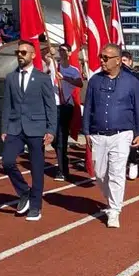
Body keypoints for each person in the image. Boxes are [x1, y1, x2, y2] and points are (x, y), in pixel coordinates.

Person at [82, 42, 139, 229]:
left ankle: (114, 209)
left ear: (118, 61)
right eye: (101, 57)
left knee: (117, 172)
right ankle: (111, 199)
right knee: (100, 173)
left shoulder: (132, 82)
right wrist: (86, 130)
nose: (101, 61)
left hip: (122, 134)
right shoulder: (94, 81)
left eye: (105, 58)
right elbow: (89, 108)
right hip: (98, 134)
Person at [0, 39, 56, 222]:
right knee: (7, 161)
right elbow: (7, 105)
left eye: (24, 53)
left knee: (37, 168)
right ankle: (24, 191)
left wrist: (51, 129)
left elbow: (50, 106)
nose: (20, 55)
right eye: (18, 53)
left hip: (36, 128)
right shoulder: (10, 78)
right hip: (15, 127)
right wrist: (4, 128)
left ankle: (35, 206)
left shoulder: (42, 78)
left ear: (33, 55)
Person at [53, 43, 83, 181]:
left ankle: (62, 170)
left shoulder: (73, 70)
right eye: (60, 50)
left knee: (61, 137)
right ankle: (62, 161)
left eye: (65, 50)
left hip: (65, 106)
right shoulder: (53, 66)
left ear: (70, 53)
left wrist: (64, 78)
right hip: (52, 106)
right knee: (52, 138)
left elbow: (79, 83)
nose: (62, 52)